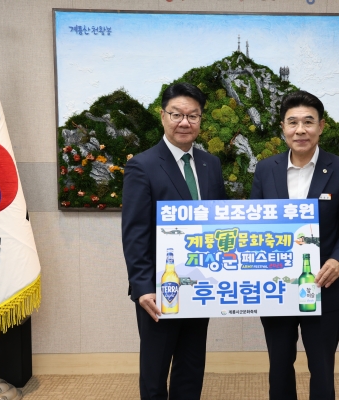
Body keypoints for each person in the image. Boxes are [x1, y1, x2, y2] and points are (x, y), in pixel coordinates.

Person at [251, 90, 339, 400]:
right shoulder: (265, 169)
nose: (300, 130)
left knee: (322, 367)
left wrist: (338, 261)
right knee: (279, 366)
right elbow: (254, 225)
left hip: (323, 286)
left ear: (321, 126)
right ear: (283, 128)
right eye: (293, 122)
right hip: (276, 288)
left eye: (308, 122)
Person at [122, 82, 226, 400]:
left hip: (200, 284)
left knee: (191, 366)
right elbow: (135, 233)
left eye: (193, 115)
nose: (185, 122)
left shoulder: (210, 164)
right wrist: (142, 287)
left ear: (201, 119)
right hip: (160, 288)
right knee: (155, 370)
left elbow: (219, 224)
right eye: (177, 114)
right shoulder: (142, 165)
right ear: (163, 116)